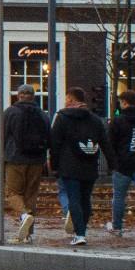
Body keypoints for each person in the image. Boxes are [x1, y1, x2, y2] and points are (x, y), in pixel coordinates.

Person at [48, 88, 106, 246]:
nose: (65, 102)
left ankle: (79, 234)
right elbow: (104, 142)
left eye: (67, 99)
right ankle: (82, 231)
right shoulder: (95, 120)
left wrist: (54, 165)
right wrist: (113, 164)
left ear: (72, 100)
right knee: (85, 199)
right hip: (90, 165)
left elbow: (55, 143)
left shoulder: (62, 118)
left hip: (69, 165)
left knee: (73, 198)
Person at [1, 85, 52, 242]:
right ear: (33, 96)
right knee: (31, 195)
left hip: (15, 158)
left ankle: (24, 215)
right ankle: (28, 235)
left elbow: (2, 135)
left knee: (12, 192)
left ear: (18, 96)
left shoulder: (10, 112)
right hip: (37, 160)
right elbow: (49, 137)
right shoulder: (43, 114)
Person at [104, 91, 135, 238]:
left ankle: (117, 227)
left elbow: (110, 143)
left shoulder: (118, 121)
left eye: (120, 102)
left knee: (119, 196)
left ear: (125, 102)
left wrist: (113, 162)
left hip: (122, 164)